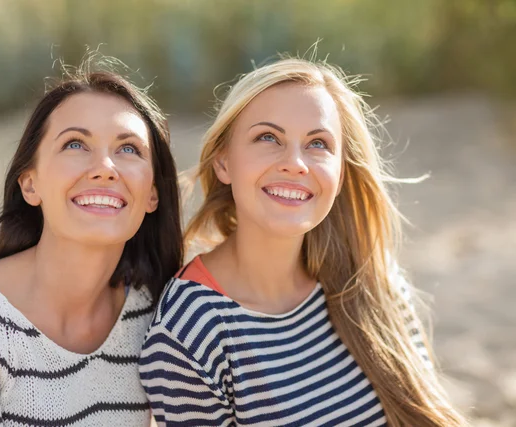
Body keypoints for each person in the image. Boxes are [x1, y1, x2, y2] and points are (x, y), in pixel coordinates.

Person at [139, 57, 466, 426]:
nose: (295, 163)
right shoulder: (190, 328)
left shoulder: (373, 279)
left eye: (317, 143)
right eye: (268, 138)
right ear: (224, 162)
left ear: (339, 174)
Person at [0, 58, 183, 426]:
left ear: (152, 194)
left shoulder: (153, 316)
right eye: (75, 144)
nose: (106, 166)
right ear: (30, 184)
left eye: (129, 149)